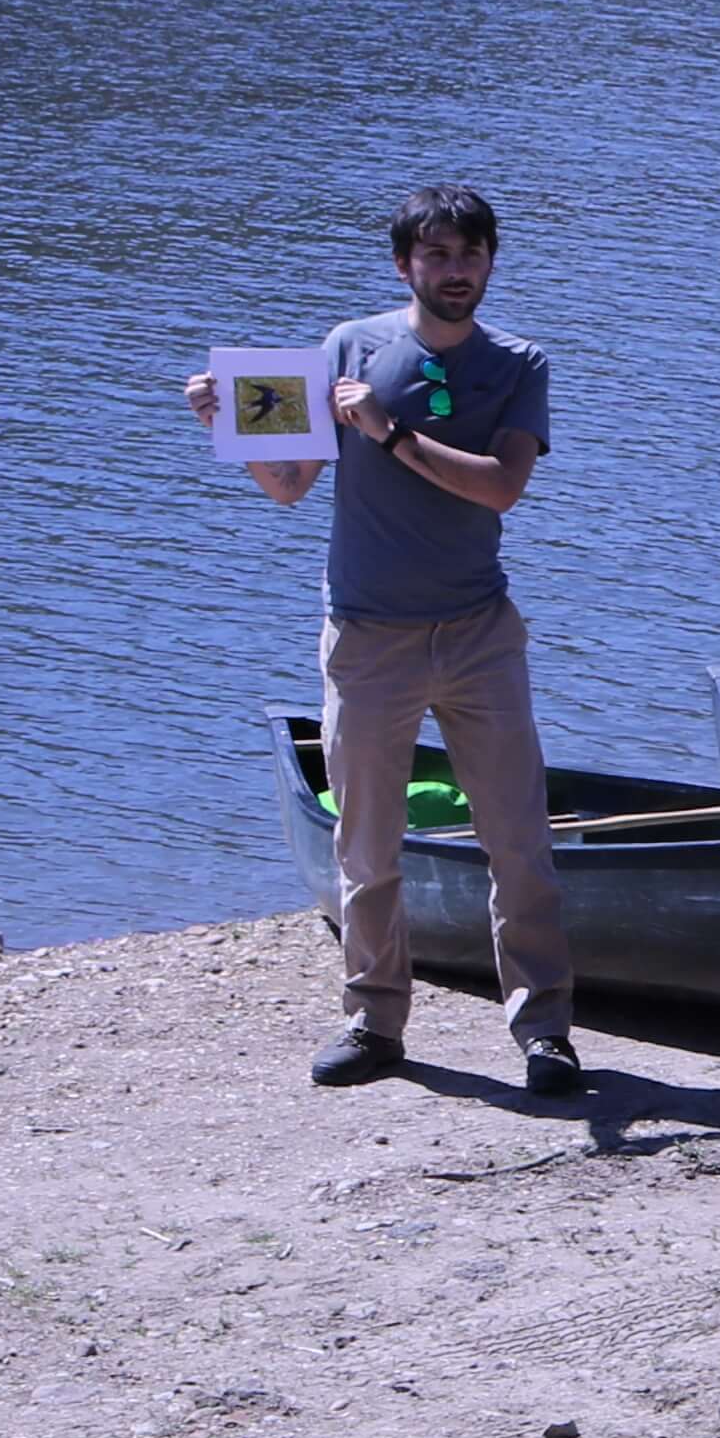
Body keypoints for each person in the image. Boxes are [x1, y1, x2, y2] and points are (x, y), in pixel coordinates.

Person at [193, 185, 579, 1097]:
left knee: (518, 840)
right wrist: (225, 424)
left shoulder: (518, 363)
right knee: (366, 846)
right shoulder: (349, 347)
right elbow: (288, 486)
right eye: (437, 256)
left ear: (489, 262)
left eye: (470, 255)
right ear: (404, 265)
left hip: (481, 631)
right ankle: (373, 1021)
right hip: (368, 635)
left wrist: (394, 432)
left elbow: (499, 489)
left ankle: (546, 1031)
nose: (456, 271)